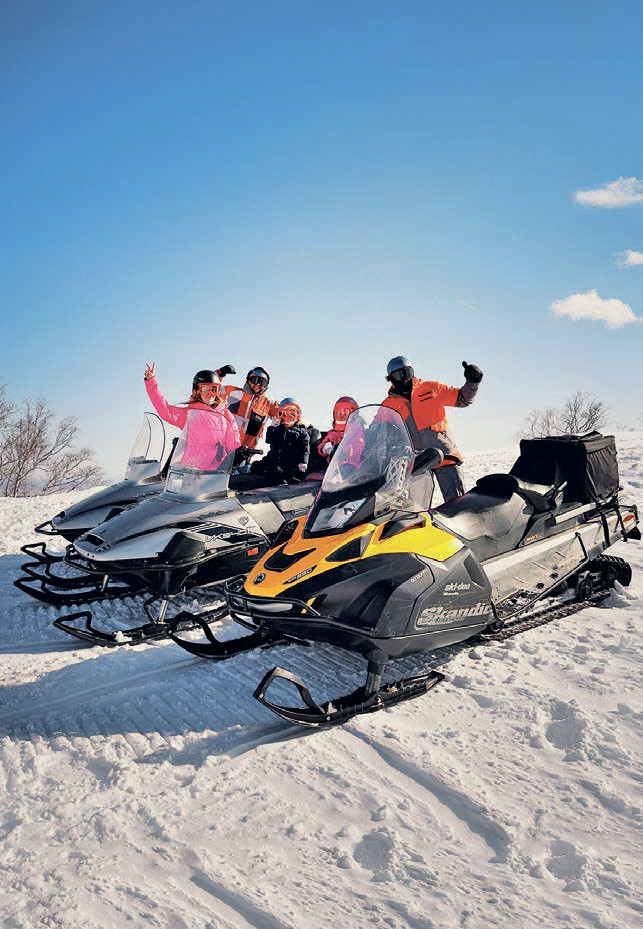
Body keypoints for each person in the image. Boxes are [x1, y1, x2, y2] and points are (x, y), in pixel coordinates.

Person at [381, 356, 483, 502]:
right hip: (417, 462)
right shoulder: (387, 405)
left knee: (456, 503)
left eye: (407, 373)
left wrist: (472, 383)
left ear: (412, 372)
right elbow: (376, 430)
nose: (404, 379)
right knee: (416, 507)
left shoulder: (432, 388)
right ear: (391, 379)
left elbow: (462, 398)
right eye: (398, 375)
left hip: (444, 455)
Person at [143, 362, 240, 470]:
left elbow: (233, 442)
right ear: (196, 391)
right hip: (191, 470)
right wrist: (151, 382)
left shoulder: (225, 415)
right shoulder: (190, 414)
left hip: (215, 473)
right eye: (205, 389)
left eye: (213, 389)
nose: (210, 394)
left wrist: (239, 453)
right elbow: (165, 410)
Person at [223, 366, 281, 468]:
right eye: (254, 380)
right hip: (224, 452)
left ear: (266, 385)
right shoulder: (232, 392)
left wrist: (303, 426)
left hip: (245, 456)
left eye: (262, 381)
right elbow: (210, 389)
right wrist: (220, 374)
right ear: (248, 380)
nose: (257, 384)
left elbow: (285, 414)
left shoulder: (268, 403)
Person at [250, 398, 310, 484]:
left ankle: (282, 478)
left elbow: (305, 449)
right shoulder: (278, 429)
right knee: (256, 467)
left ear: (298, 416)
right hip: (273, 458)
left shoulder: (302, 432)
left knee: (284, 474)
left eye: (293, 414)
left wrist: (303, 462)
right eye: (285, 414)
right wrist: (272, 426)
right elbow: (269, 440)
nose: (289, 417)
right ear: (280, 415)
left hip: (290, 461)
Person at [318, 396, 359, 462]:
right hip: (333, 465)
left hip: (351, 464)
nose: (342, 416)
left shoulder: (357, 432)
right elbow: (322, 446)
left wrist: (345, 450)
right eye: (339, 413)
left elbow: (358, 447)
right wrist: (325, 448)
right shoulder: (331, 433)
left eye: (346, 413)